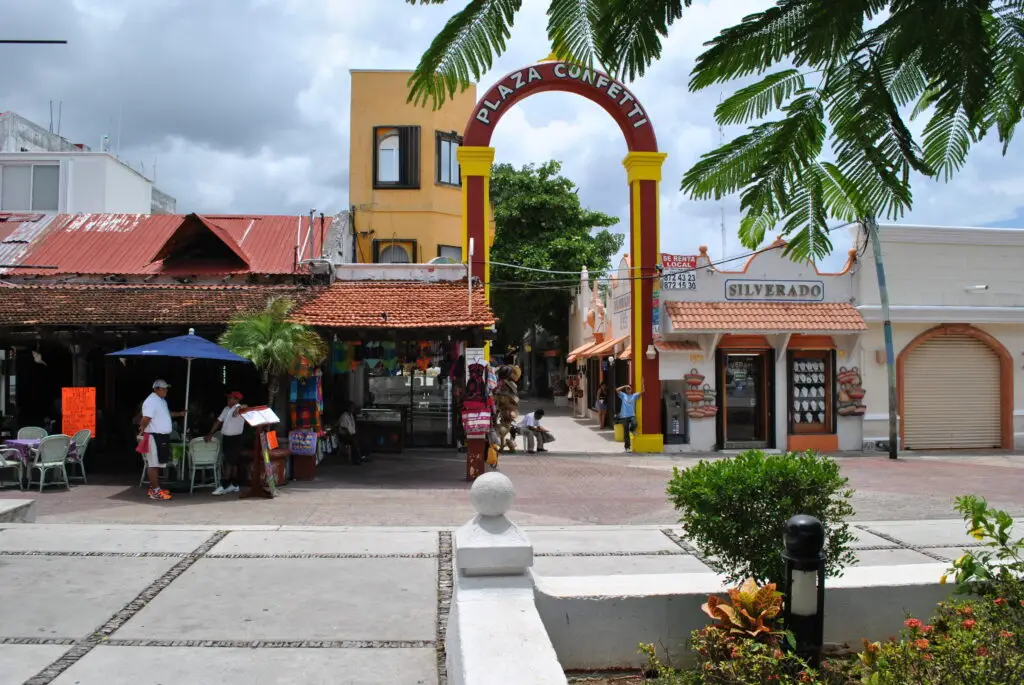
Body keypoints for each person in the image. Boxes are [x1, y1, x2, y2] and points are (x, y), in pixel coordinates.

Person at [138, 379, 186, 501]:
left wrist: (180, 414)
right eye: (163, 388)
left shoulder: (161, 401)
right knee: (153, 464)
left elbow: (166, 414)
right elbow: (146, 417)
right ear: (156, 389)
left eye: (166, 388)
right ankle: (155, 491)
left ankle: (155, 488)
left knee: (158, 463)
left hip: (162, 436)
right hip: (154, 436)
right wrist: (142, 429)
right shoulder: (151, 401)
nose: (165, 390)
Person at [206, 391, 247, 495]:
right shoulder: (226, 409)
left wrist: (239, 407)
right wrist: (211, 433)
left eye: (231, 398)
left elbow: (246, 406)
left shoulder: (240, 409)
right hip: (227, 438)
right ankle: (234, 484)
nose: (228, 400)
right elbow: (219, 421)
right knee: (230, 462)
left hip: (236, 438)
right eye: (228, 398)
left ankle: (224, 485)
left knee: (230, 462)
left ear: (237, 400)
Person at [616, 383, 644, 452]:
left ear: (631, 390)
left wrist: (643, 384)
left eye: (629, 389)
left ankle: (631, 430)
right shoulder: (623, 395)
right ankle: (627, 447)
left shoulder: (634, 396)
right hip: (624, 416)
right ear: (626, 390)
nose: (628, 390)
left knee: (634, 423)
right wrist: (625, 386)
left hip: (632, 415)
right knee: (626, 433)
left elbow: (642, 392)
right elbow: (617, 390)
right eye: (627, 389)